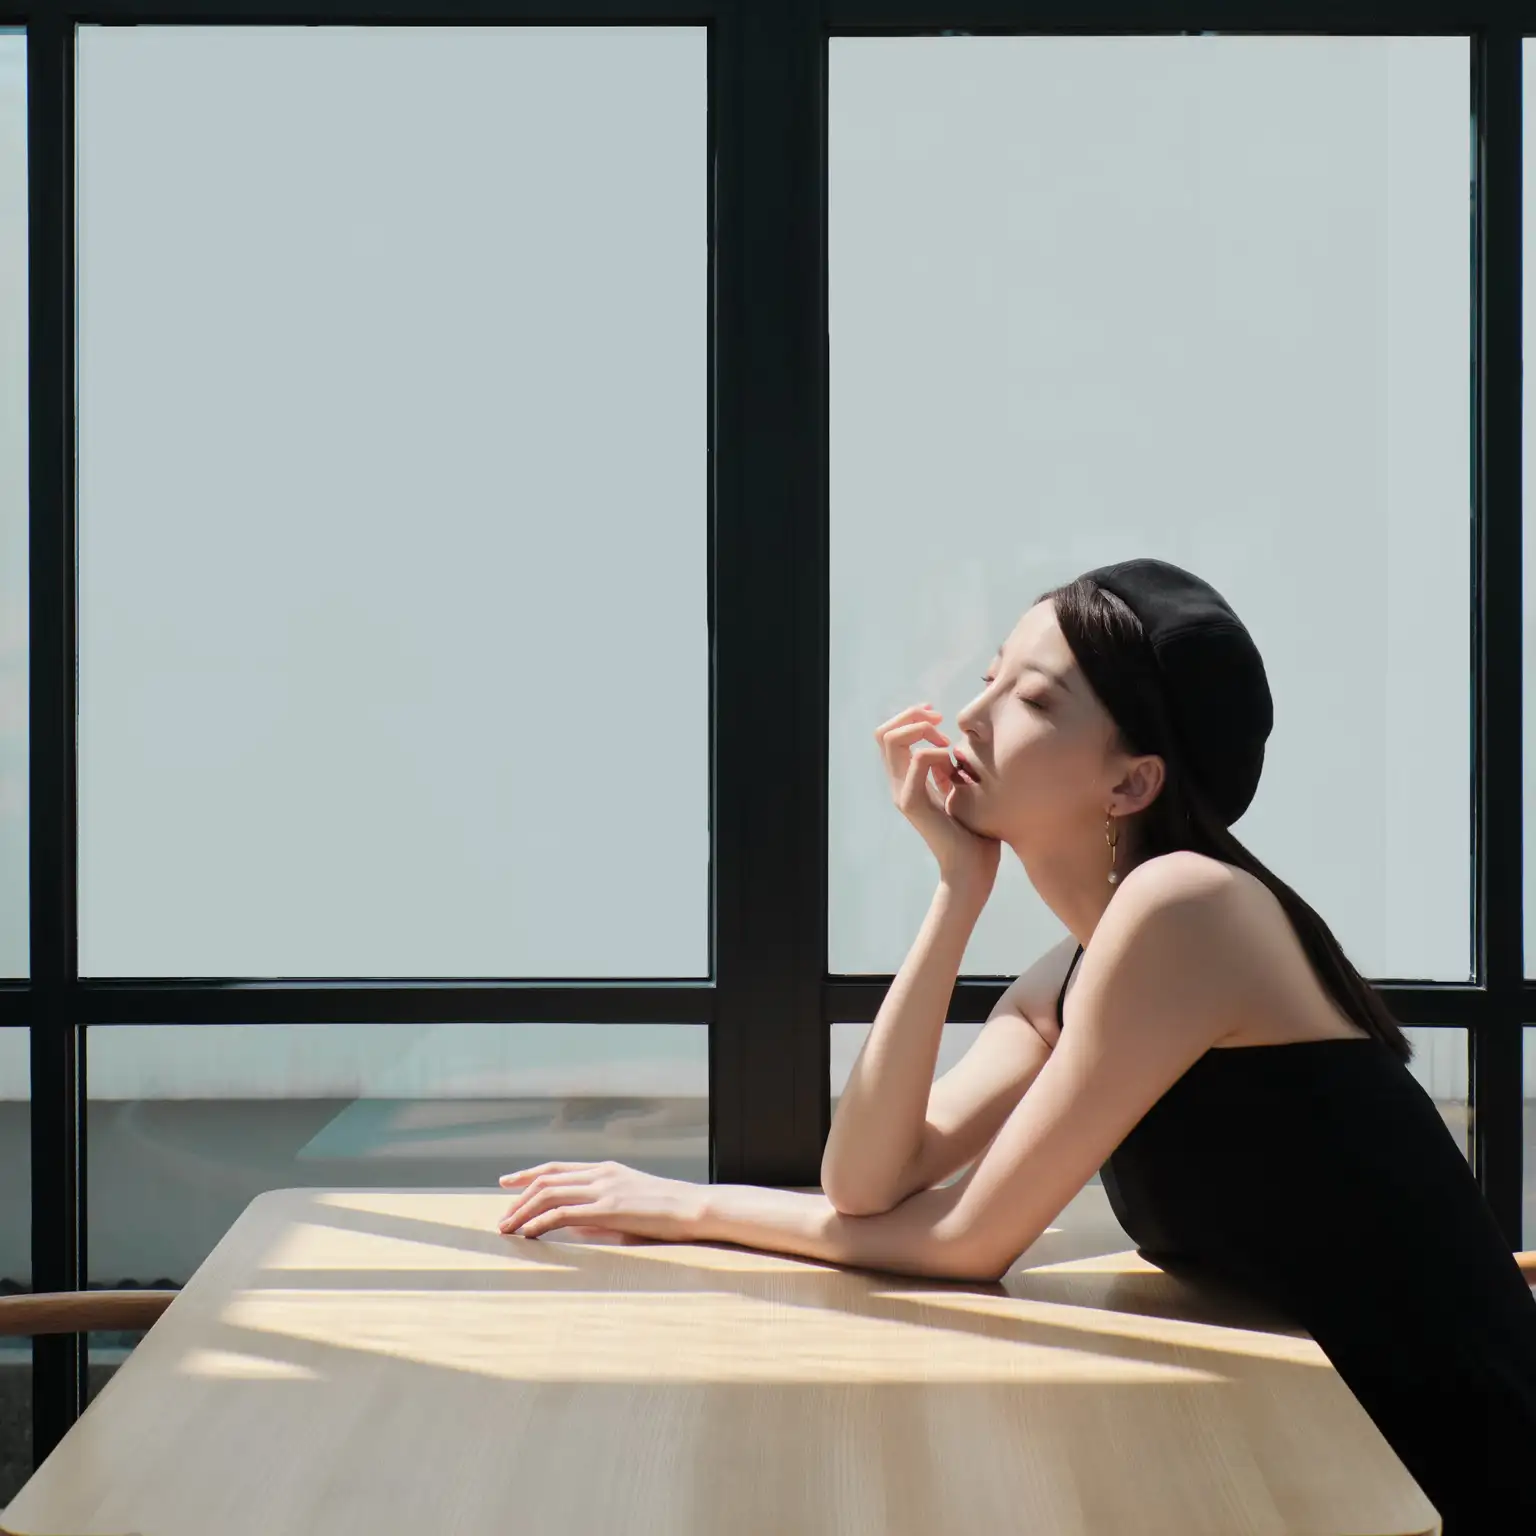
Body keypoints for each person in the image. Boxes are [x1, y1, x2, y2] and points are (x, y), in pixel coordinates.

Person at [497, 557, 1536, 1532]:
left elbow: (968, 1245)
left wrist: (689, 1206)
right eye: (991, 676)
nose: (971, 716)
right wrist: (956, 892)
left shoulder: (1187, 908)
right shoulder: (1077, 967)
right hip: (1335, 1445)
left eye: (1032, 700)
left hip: (1457, 1461)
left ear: (1131, 784)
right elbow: (869, 1180)